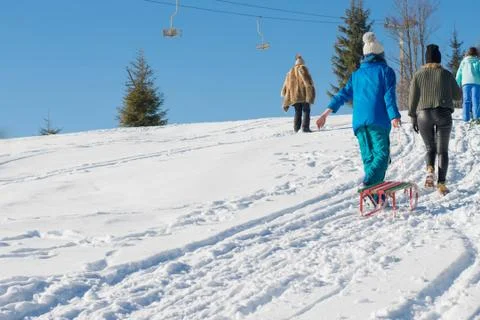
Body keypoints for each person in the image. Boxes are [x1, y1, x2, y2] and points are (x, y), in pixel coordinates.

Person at [316, 32, 401, 187]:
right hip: (378, 120)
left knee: (369, 157)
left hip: (359, 123)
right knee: (382, 154)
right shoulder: (386, 71)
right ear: (381, 54)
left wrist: (325, 113)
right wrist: (394, 116)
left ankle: (376, 197)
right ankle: (369, 183)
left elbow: (342, 94)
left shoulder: (356, 75)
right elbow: (389, 96)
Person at [409, 44, 462, 195]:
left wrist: (413, 116)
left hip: (423, 115)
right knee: (442, 151)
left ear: (426, 60)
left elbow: (412, 97)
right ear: (439, 59)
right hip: (443, 113)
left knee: (429, 148)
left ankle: (430, 169)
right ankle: (442, 185)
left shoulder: (418, 75)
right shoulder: (446, 74)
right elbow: (458, 96)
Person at [281, 54, 316, 132]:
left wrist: (285, 95)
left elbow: (285, 85)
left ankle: (296, 129)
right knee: (306, 110)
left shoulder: (290, 72)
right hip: (304, 95)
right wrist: (310, 92)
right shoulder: (302, 68)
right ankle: (305, 128)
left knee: (297, 112)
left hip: (294, 97)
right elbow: (307, 82)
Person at [456, 46, 480, 123]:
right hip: (476, 82)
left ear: (467, 53)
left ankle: (466, 117)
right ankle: (476, 117)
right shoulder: (478, 61)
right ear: (476, 53)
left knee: (466, 100)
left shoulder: (463, 62)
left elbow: (459, 73)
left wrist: (457, 83)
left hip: (465, 83)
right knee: (475, 99)